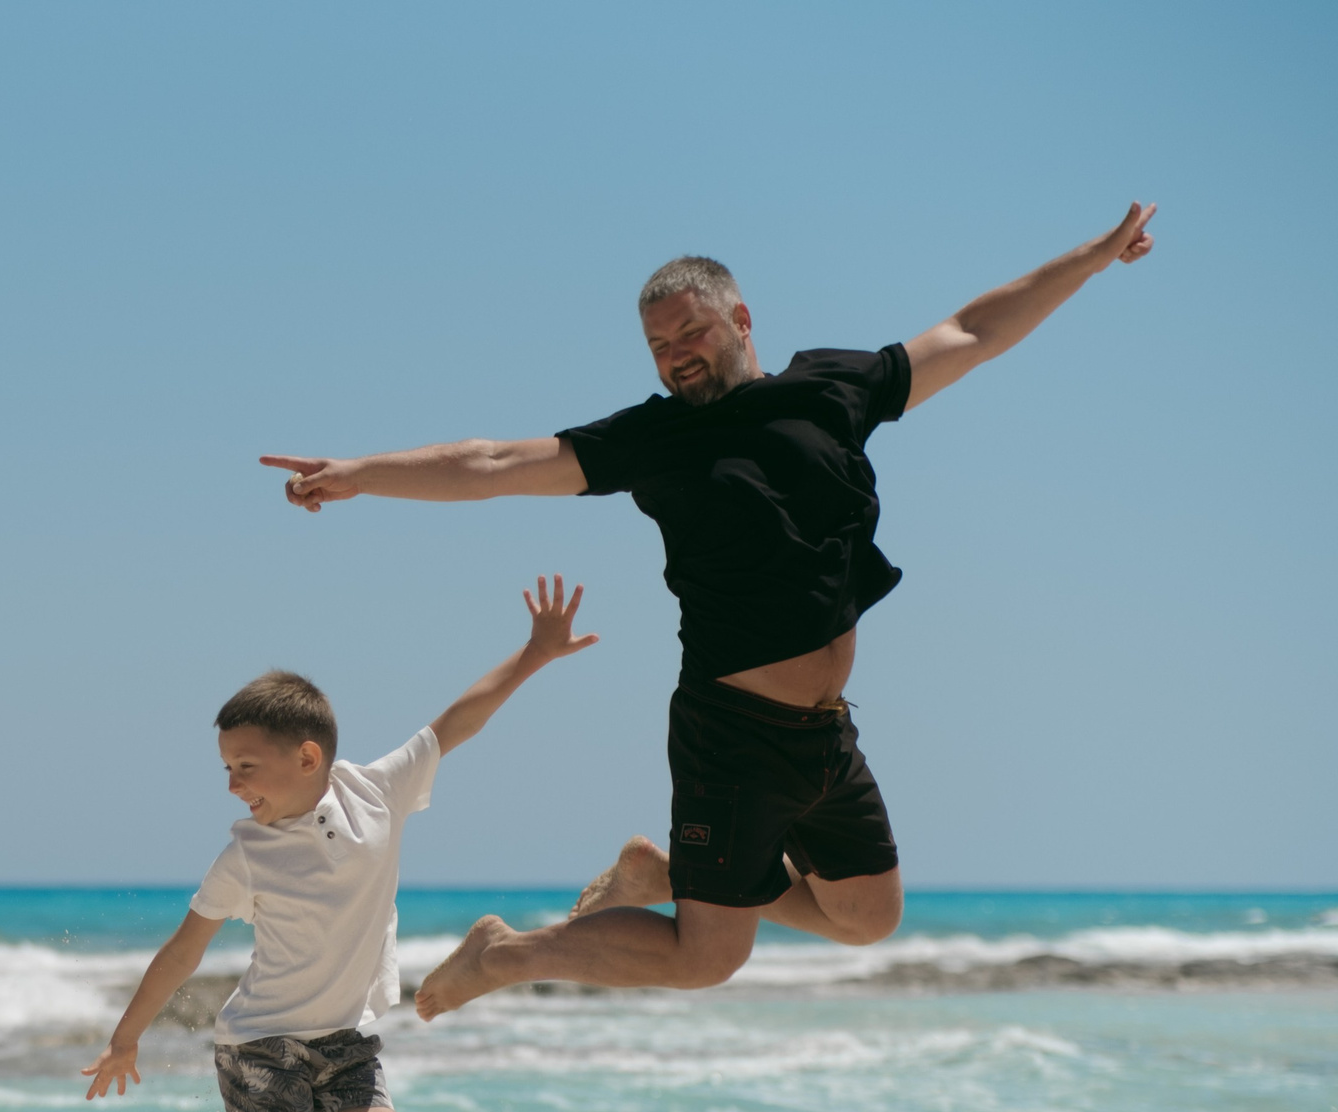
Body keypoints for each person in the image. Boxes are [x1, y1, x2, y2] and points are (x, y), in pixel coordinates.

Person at [261, 204, 1158, 1015]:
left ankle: (659, 870)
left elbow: (971, 330)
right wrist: (359, 476)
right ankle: (503, 954)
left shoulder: (830, 390)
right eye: (659, 347)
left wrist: (1092, 256)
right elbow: (494, 463)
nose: (677, 355)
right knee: (705, 959)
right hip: (729, 729)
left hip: (823, 729)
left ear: (740, 318)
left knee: (867, 915)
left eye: (690, 332)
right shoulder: (656, 441)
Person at [83, 579, 598, 1112]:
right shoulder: (245, 854)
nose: (231, 784)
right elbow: (184, 949)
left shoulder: (376, 792)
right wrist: (129, 1035)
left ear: (308, 756)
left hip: (343, 1039)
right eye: (226, 768)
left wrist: (533, 653)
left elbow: (457, 722)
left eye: (246, 766)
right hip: (261, 1042)